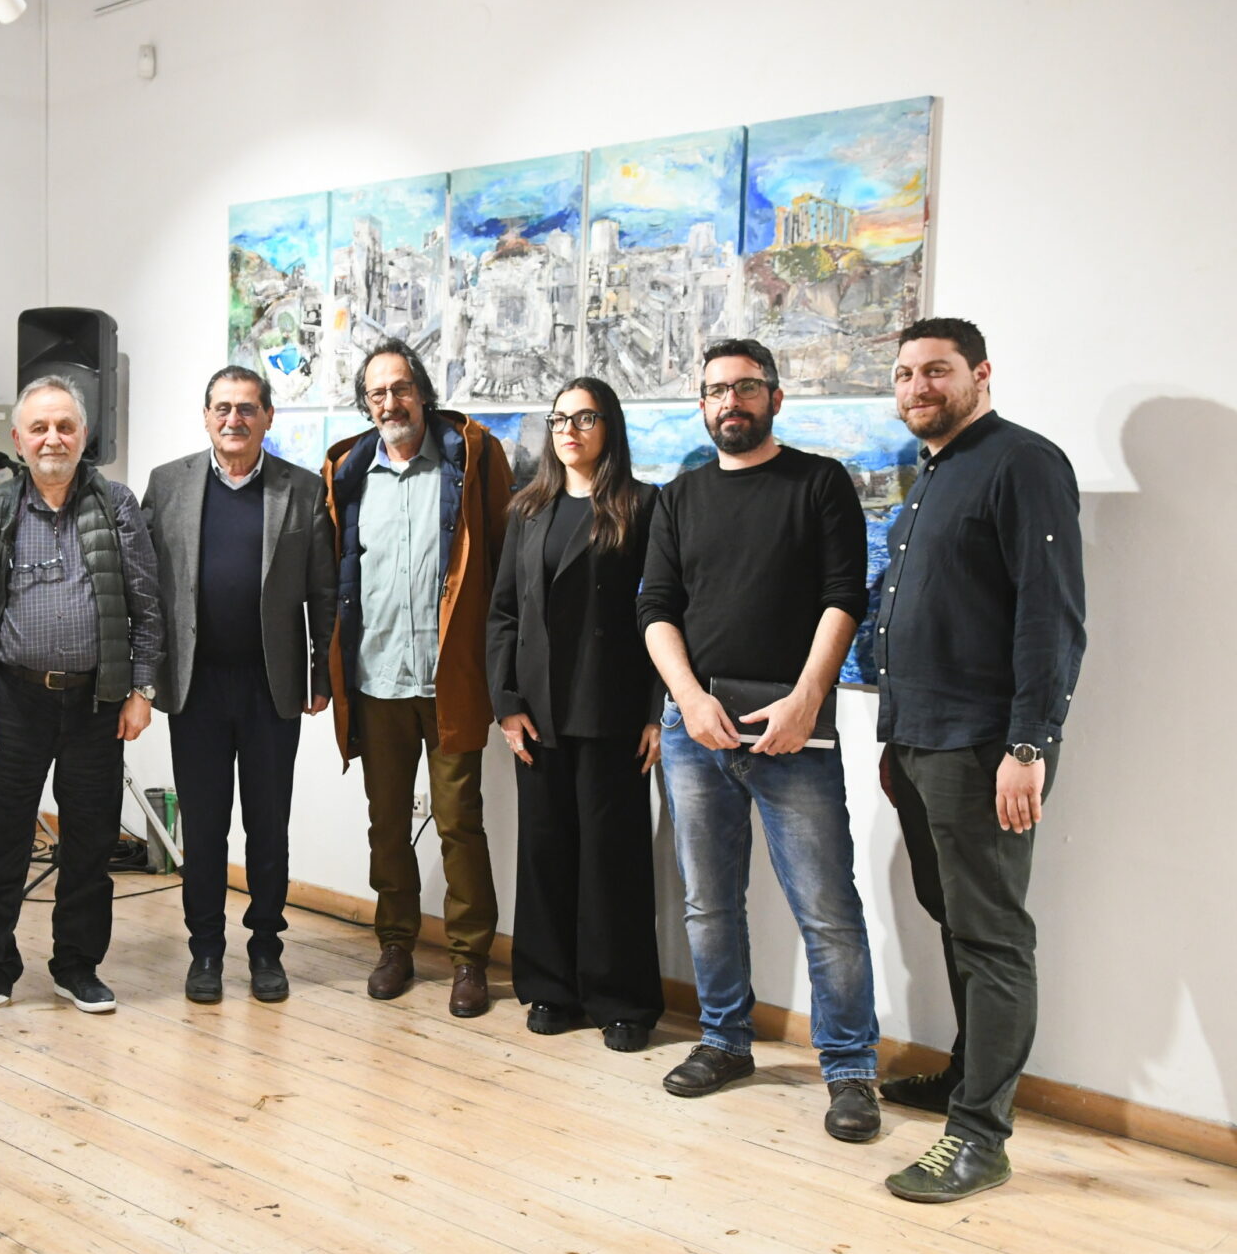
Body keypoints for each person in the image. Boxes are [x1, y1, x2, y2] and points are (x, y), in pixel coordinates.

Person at [637, 338, 882, 1142]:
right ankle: (725, 1041)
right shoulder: (679, 498)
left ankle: (850, 1068)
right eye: (716, 390)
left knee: (828, 907)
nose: (730, 401)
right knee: (709, 904)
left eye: (746, 387)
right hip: (697, 731)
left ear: (775, 397)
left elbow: (845, 596)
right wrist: (688, 700)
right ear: (701, 405)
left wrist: (806, 701)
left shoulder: (819, 483)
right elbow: (655, 608)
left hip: (793, 730)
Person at [875, 318, 1085, 1203]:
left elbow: (1051, 613)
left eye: (937, 370)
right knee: (957, 922)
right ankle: (968, 1079)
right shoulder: (931, 472)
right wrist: (894, 742)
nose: (918, 387)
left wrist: (1029, 745)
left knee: (992, 938)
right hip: (919, 744)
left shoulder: (1022, 462)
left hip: (982, 748)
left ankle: (979, 1137)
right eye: (904, 374)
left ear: (980, 374)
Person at [0, 375, 163, 1020]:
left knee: (90, 845)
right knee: (3, 842)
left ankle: (77, 966)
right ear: (17, 439)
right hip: (14, 703)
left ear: (83, 436)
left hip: (98, 704)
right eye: (38, 427)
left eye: (65, 426)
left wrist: (142, 689)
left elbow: (148, 606)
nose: (52, 438)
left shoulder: (117, 505)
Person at [322, 337, 513, 1017]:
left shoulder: (471, 458)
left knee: (460, 823)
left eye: (400, 388)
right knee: (386, 825)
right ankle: (395, 944)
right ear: (366, 404)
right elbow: (332, 579)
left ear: (423, 393)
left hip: (450, 680)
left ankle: (469, 959)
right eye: (377, 392)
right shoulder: (347, 473)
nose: (390, 402)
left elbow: (503, 565)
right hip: (375, 682)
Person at [141, 366, 335, 1004]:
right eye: (222, 408)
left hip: (270, 689)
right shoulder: (167, 484)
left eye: (247, 408)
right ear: (205, 416)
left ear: (268, 417)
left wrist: (320, 673)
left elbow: (323, 592)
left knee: (268, 829)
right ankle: (204, 950)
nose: (234, 419)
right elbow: (144, 588)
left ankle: (266, 948)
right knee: (203, 829)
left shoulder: (301, 490)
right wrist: (142, 678)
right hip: (194, 687)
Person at [486, 376, 664, 1050]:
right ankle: (550, 988)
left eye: (584, 418)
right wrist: (506, 705)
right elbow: (504, 613)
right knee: (544, 855)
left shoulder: (642, 505)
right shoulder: (529, 508)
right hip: (539, 714)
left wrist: (655, 710)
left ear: (608, 427)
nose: (569, 430)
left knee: (613, 861)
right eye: (560, 419)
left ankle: (622, 1001)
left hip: (613, 710)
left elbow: (662, 611)